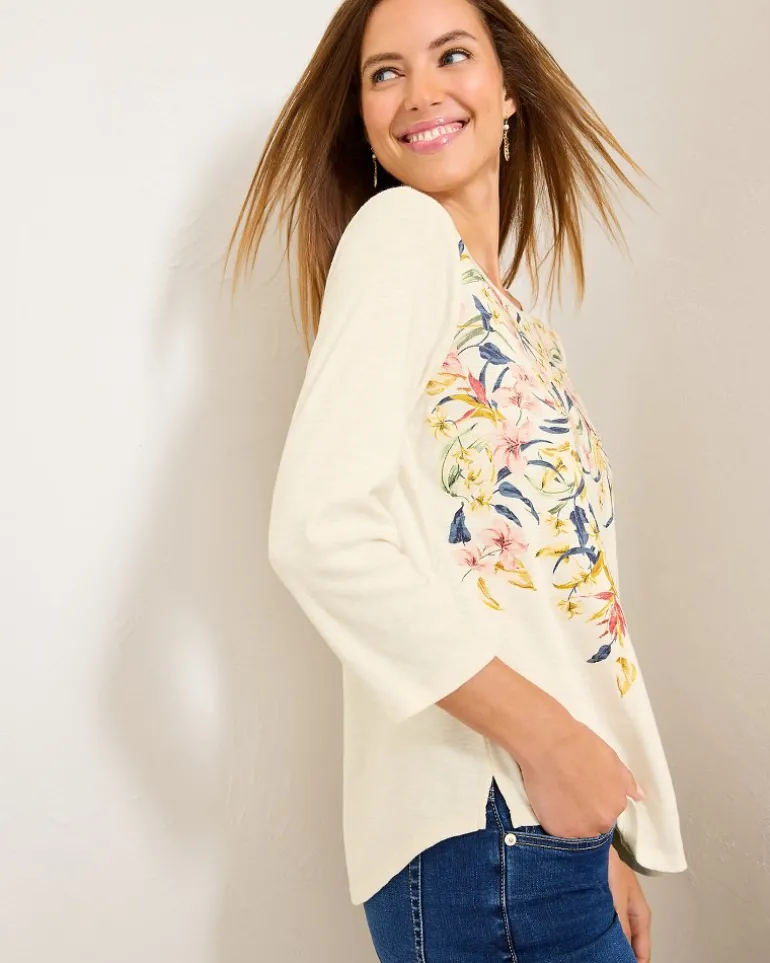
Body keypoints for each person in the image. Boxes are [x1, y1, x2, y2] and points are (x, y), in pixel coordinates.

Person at [226, 0, 688, 959]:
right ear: (362, 115)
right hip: (488, 835)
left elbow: (538, 610)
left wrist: (595, 833)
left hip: (535, 836)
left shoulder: (519, 323)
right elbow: (317, 531)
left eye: (451, 55)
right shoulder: (401, 233)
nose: (420, 92)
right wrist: (550, 746)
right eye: (385, 72)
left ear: (508, 89)